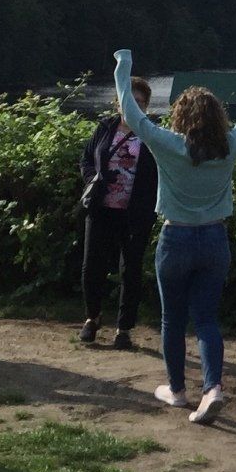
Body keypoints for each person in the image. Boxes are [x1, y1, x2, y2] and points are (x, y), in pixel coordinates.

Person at [114, 45, 236, 427]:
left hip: (176, 240)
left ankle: (177, 390)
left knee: (171, 319)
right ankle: (212, 388)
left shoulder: (169, 145)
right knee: (206, 320)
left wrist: (124, 65)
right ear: (217, 116)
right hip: (215, 241)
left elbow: (131, 113)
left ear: (180, 116)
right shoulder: (229, 146)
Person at [77, 77, 160, 350]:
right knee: (92, 266)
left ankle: (123, 329)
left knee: (131, 270)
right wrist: (93, 178)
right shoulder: (105, 128)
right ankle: (92, 318)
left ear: (146, 107)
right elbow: (87, 158)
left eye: (141, 103)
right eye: (130, 101)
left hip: (135, 213)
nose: (135, 107)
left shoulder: (152, 135)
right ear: (118, 103)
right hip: (101, 209)